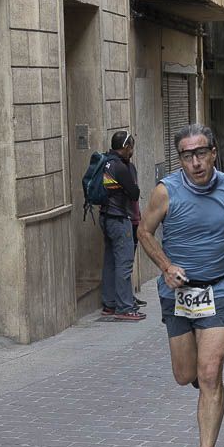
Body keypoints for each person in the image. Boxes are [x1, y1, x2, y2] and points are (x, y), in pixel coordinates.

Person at [138, 125, 224, 447]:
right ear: (181, 159)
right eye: (187, 155)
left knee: (209, 373)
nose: (195, 162)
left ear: (214, 152)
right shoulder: (166, 192)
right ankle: (203, 384)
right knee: (184, 374)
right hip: (178, 294)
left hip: (219, 289)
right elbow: (144, 231)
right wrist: (165, 266)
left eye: (201, 153)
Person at [98, 131, 144, 321]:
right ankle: (124, 308)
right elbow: (134, 193)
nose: (132, 151)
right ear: (126, 147)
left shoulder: (105, 163)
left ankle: (109, 304)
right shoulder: (121, 167)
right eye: (131, 147)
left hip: (105, 217)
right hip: (119, 218)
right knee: (124, 263)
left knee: (110, 262)